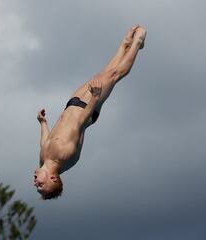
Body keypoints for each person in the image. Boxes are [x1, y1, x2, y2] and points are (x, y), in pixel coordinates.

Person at [34, 25, 147, 200]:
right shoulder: (64, 156)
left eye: (37, 186)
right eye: (41, 185)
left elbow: (45, 143)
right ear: (53, 178)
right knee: (114, 75)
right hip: (88, 108)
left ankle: (124, 45)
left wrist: (43, 123)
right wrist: (95, 97)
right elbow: (80, 124)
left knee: (103, 73)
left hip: (72, 104)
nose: (35, 183)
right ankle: (137, 43)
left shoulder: (44, 160)